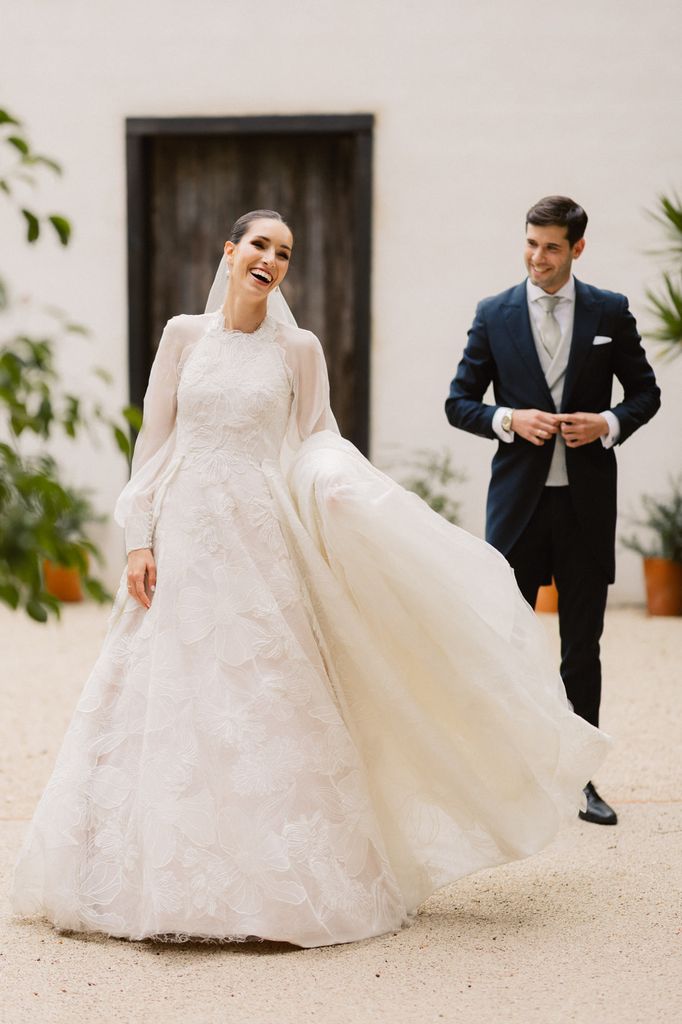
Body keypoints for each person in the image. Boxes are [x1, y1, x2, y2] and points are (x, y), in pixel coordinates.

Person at [13, 209, 609, 948]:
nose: (271, 259)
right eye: (259, 245)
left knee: (265, 693)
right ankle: (143, 879)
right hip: (185, 530)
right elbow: (153, 442)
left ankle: (281, 888)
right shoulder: (182, 336)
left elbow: (319, 433)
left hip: (261, 534)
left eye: (285, 252)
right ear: (230, 252)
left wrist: (335, 484)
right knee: (160, 688)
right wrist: (138, 539)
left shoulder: (299, 347)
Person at [445, 195, 660, 826]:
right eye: (532, 243)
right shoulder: (494, 313)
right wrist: (509, 419)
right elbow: (460, 402)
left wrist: (609, 422)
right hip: (517, 509)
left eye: (552, 247)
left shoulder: (609, 312)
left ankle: (581, 781)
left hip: (587, 508)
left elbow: (645, 392)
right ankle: (508, 779)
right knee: (507, 644)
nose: (538, 257)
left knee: (582, 646)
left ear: (577, 249)